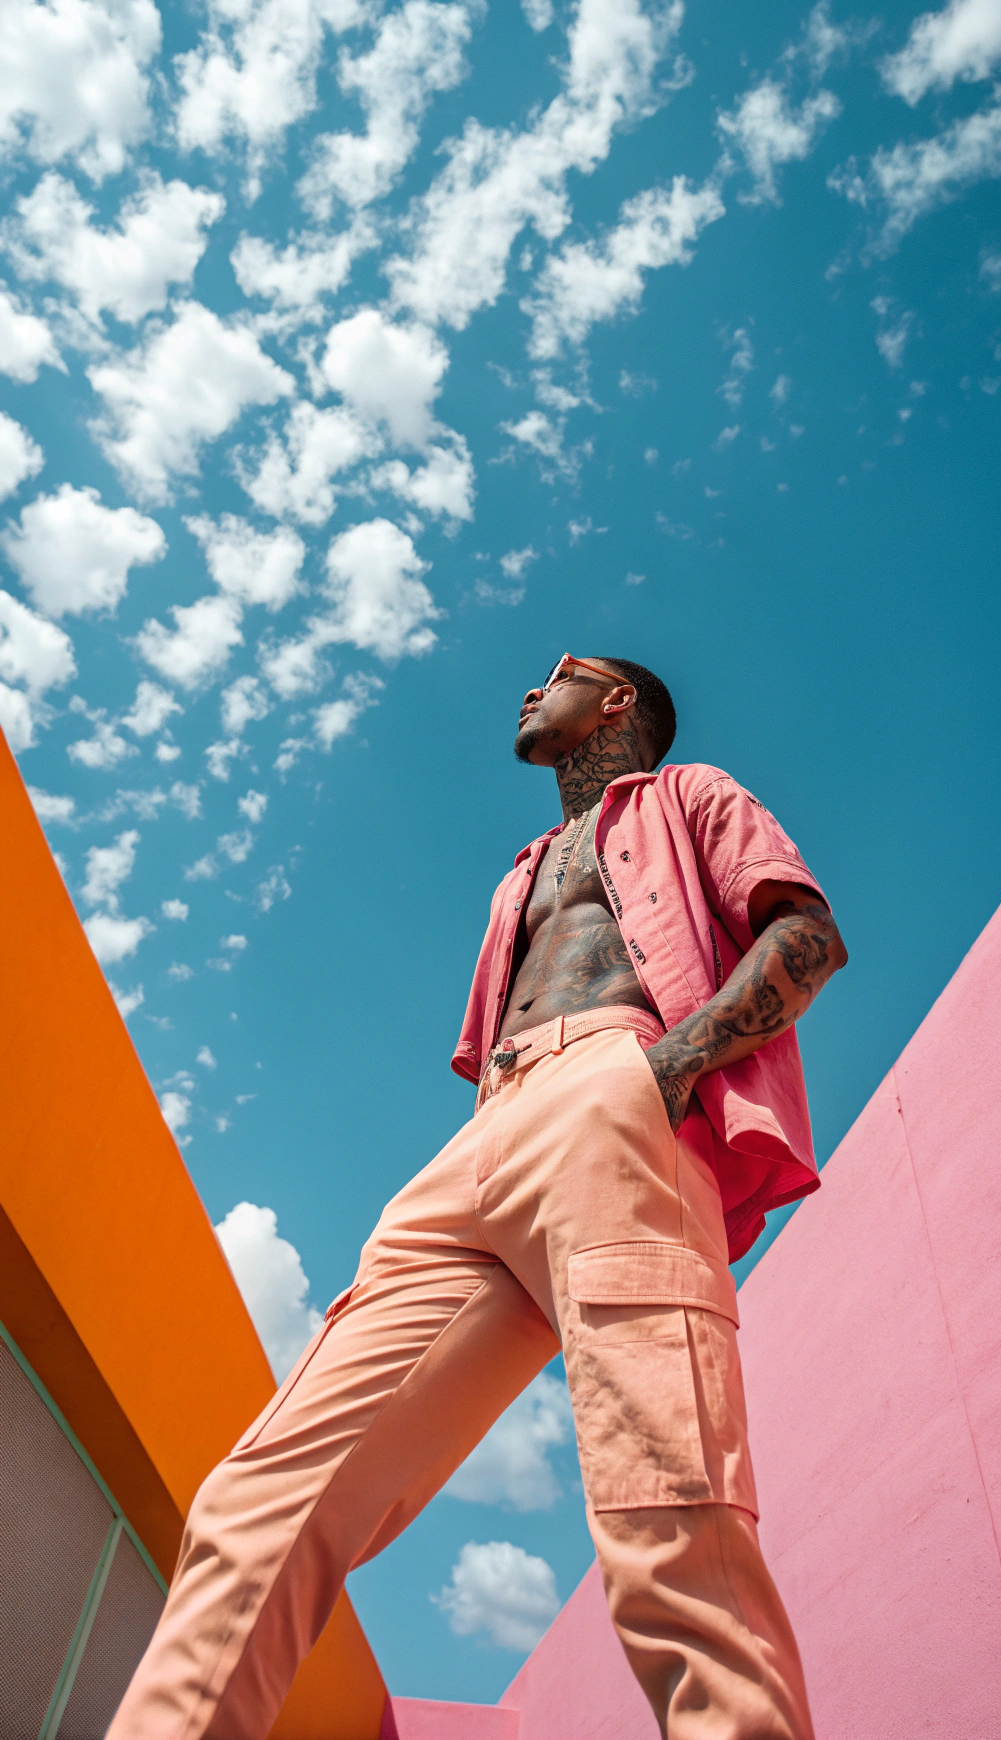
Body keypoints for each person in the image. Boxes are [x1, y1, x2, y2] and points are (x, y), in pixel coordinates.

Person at [110, 654, 847, 1740]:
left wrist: (666, 1068)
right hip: (483, 1135)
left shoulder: (690, 793)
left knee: (665, 1514)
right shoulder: (519, 871)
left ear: (618, 701)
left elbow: (805, 937)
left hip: (623, 1088)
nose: (528, 686)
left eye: (562, 673)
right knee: (257, 1501)